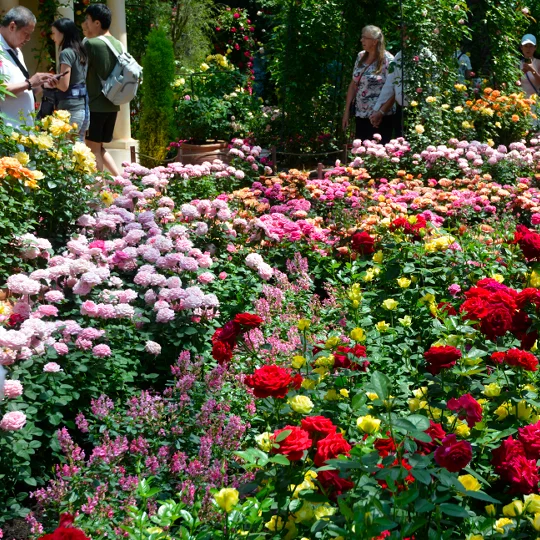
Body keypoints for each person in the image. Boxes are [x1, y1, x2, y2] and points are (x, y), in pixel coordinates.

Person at [82, 3, 121, 175]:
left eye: (88, 20)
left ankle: (97, 194)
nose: (86, 24)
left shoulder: (92, 44)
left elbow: (80, 71)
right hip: (112, 104)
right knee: (99, 147)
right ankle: (122, 180)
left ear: (97, 23)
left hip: (96, 105)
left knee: (92, 150)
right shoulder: (118, 44)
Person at [0, 7, 53, 129]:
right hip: (7, 133)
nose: (28, 39)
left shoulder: (17, 50)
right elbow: (2, 90)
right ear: (12, 26)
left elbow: (21, 90)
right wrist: (29, 83)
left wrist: (42, 85)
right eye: (26, 34)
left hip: (23, 130)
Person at [342, 26, 395, 143]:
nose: (362, 40)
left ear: (375, 42)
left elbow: (394, 91)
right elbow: (353, 84)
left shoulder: (389, 60)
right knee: (360, 154)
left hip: (380, 118)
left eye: (365, 38)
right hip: (361, 115)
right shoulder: (361, 56)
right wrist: (346, 113)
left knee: (378, 155)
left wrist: (380, 113)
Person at [48, 18, 90, 141]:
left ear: (63, 33)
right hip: (83, 107)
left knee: (67, 153)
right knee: (79, 151)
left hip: (69, 109)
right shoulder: (81, 51)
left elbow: (64, 85)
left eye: (54, 33)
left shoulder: (66, 53)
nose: (53, 37)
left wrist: (50, 82)